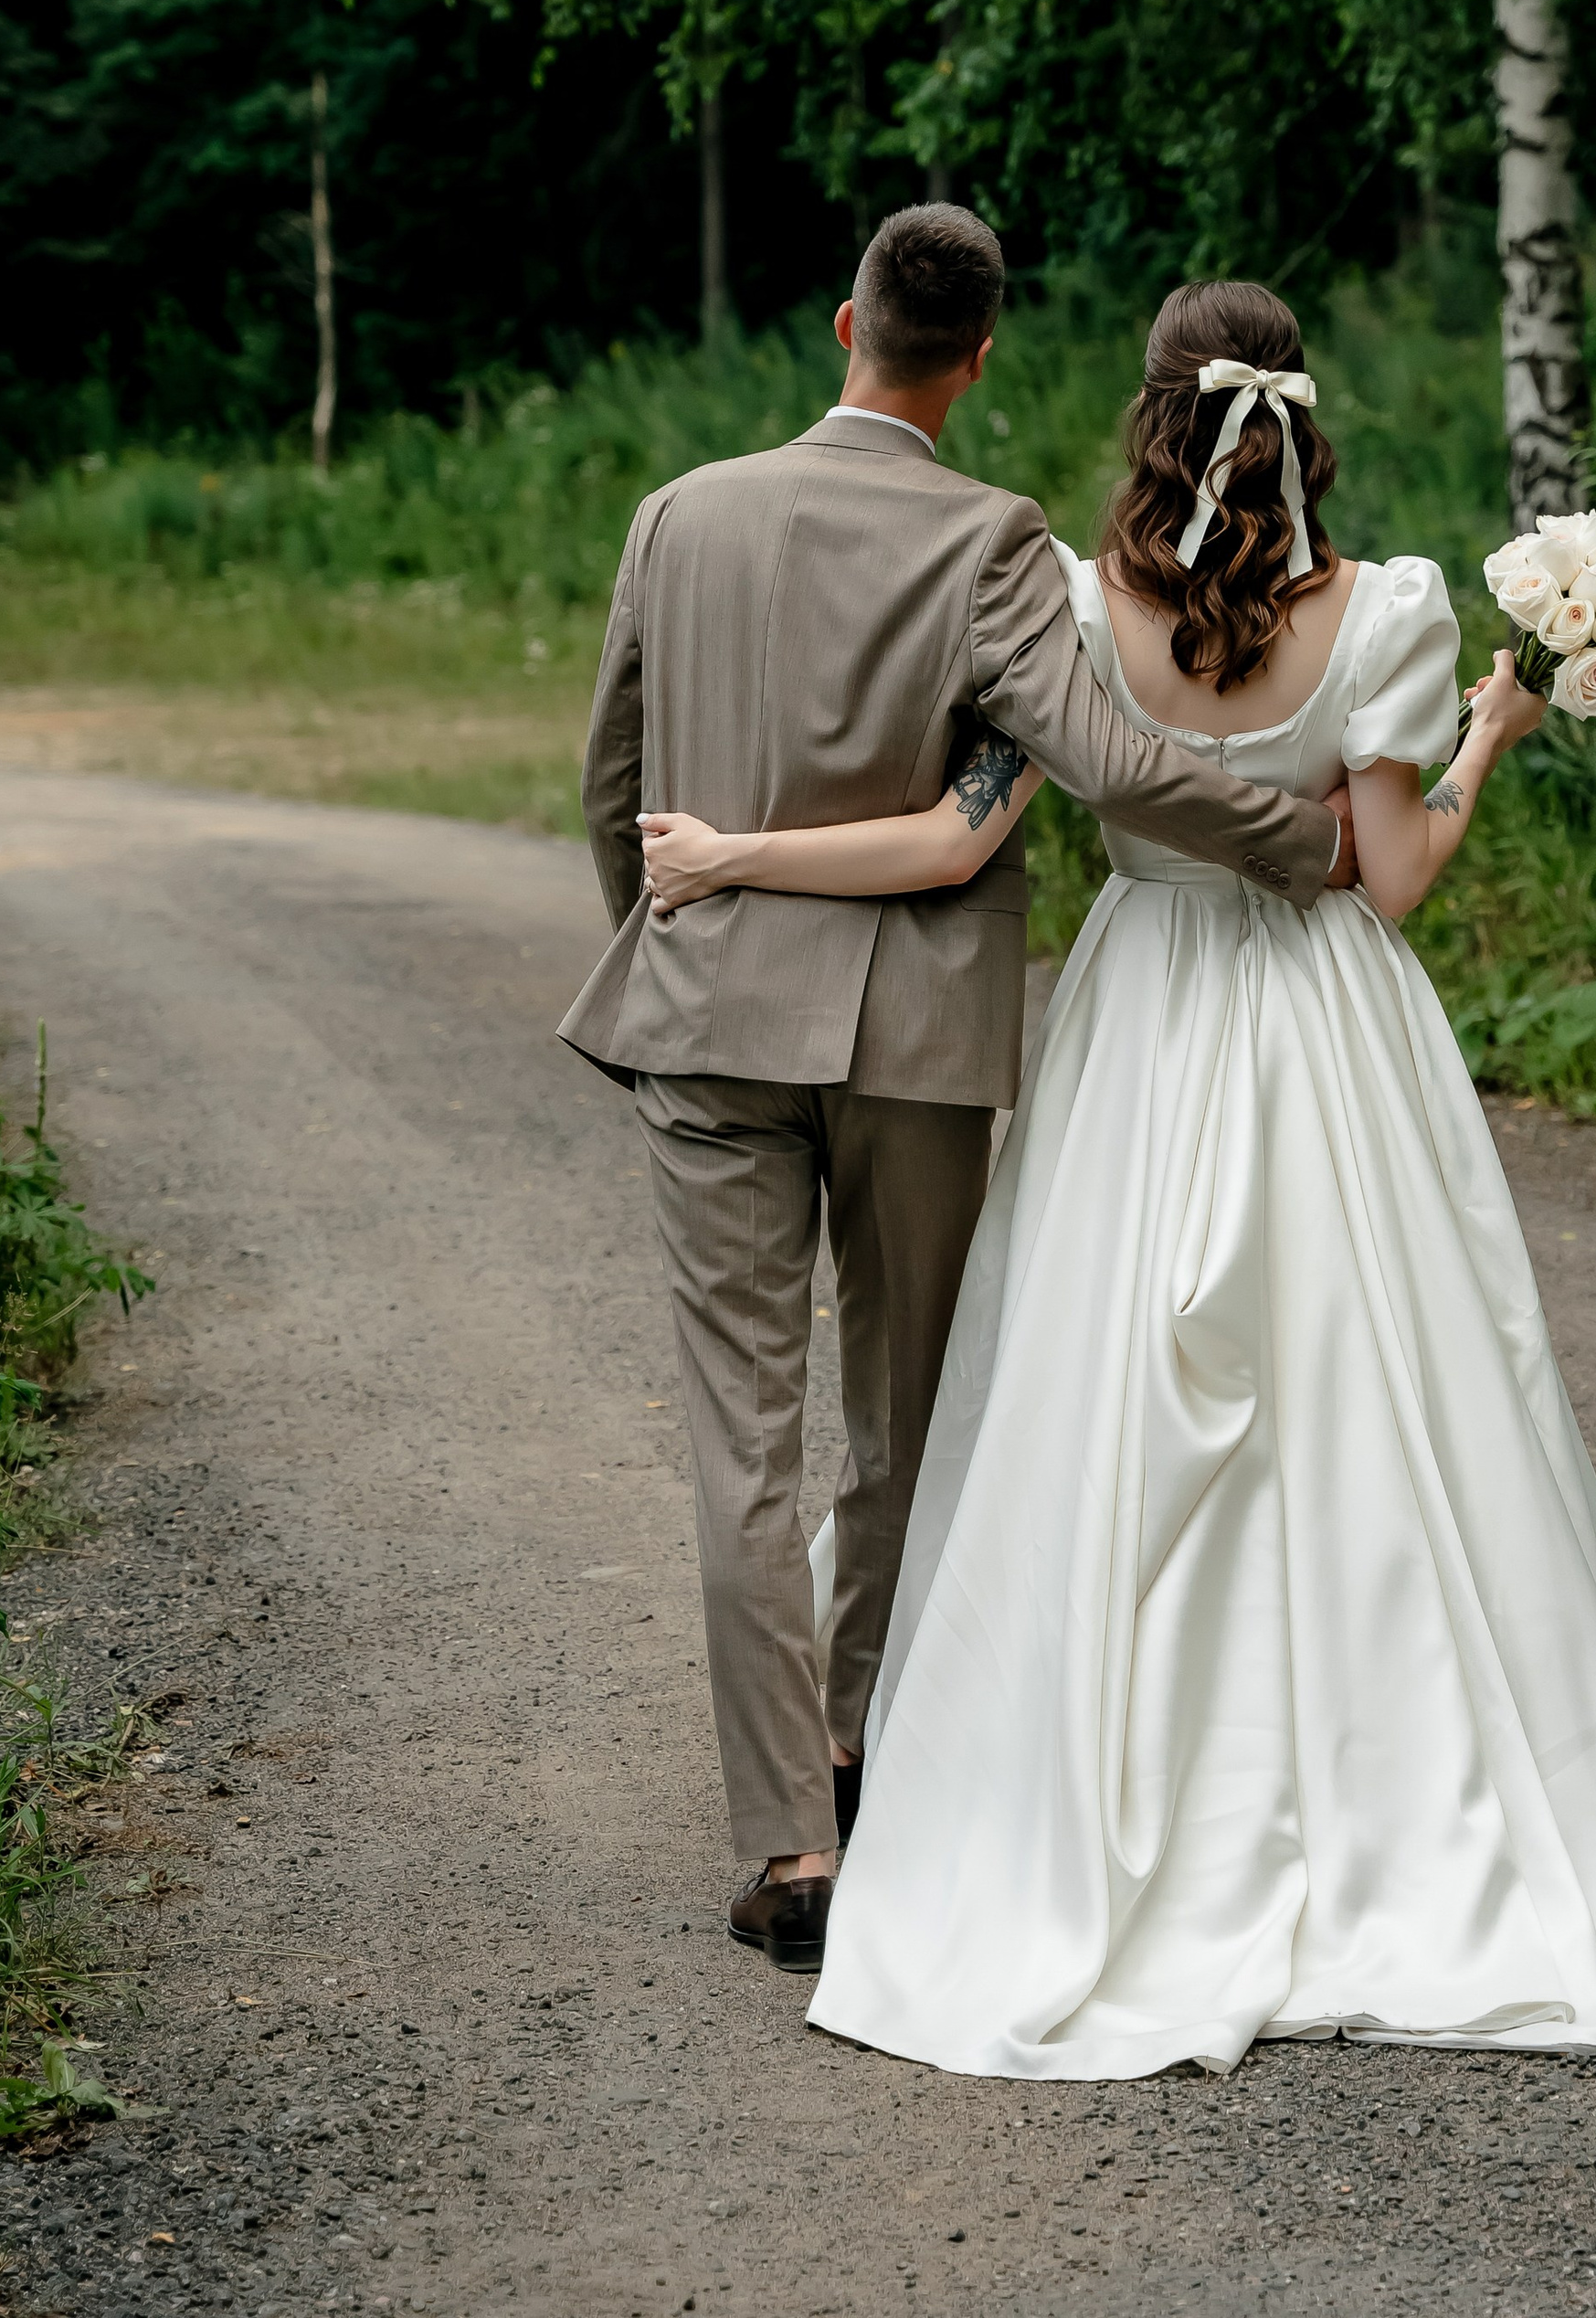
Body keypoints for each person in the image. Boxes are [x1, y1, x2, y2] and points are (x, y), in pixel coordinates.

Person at [636, 277, 1596, 2072]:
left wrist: (727, 858)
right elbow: (1382, 878)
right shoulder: (1386, 608)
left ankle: (1055, 1784)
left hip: (1142, 1023)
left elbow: (962, 832)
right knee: (1377, 1394)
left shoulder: (1072, 612)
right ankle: (1417, 1780)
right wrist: (1488, 735)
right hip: (1328, 1034)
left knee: (1094, 1407)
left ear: (1147, 417)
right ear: (1304, 418)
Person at [558, 211, 1349, 1977]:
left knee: (739, 1445)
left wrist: (665, 958)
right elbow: (1109, 760)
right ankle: (873, 1755)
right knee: (901, 1419)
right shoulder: (993, 540)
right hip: (914, 1049)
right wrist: (1300, 836)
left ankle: (788, 1844)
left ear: (847, 322)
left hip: (704, 1029)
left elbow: (611, 775)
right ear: (978, 356)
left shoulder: (680, 514)